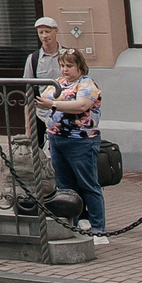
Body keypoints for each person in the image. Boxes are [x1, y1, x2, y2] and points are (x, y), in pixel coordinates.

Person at [37, 46, 107, 240]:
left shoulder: (86, 84)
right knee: (65, 185)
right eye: (62, 65)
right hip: (57, 138)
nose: (65, 70)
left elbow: (81, 105)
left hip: (81, 141)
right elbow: (43, 98)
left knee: (88, 183)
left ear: (80, 67)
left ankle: (98, 227)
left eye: (69, 66)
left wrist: (54, 104)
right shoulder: (58, 83)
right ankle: (71, 224)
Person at [24, 17, 64, 145]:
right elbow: (28, 92)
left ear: (56, 31)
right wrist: (28, 125)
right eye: (41, 32)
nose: (44, 36)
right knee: (40, 151)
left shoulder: (67, 55)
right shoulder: (33, 59)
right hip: (42, 115)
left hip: (65, 112)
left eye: (47, 31)